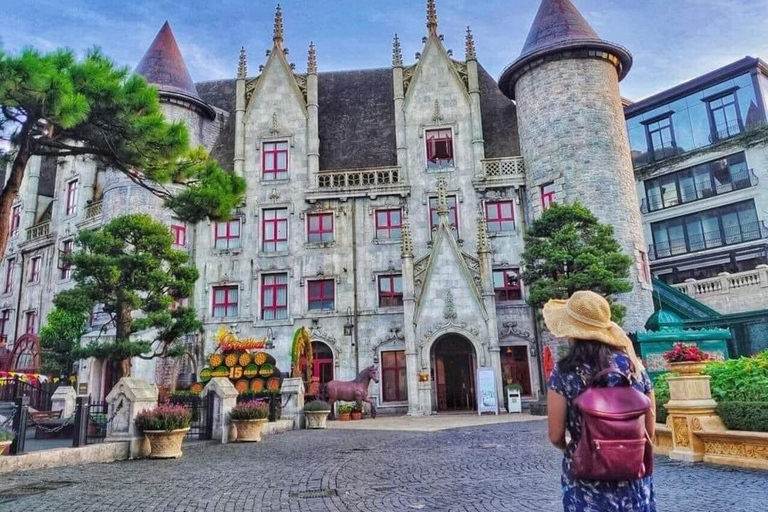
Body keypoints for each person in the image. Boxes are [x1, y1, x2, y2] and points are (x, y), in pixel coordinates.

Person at [544, 291, 657, 512]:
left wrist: (577, 447)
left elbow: (555, 435)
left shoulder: (564, 372)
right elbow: (649, 429)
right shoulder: (635, 367)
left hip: (586, 478)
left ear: (572, 331)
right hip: (632, 473)